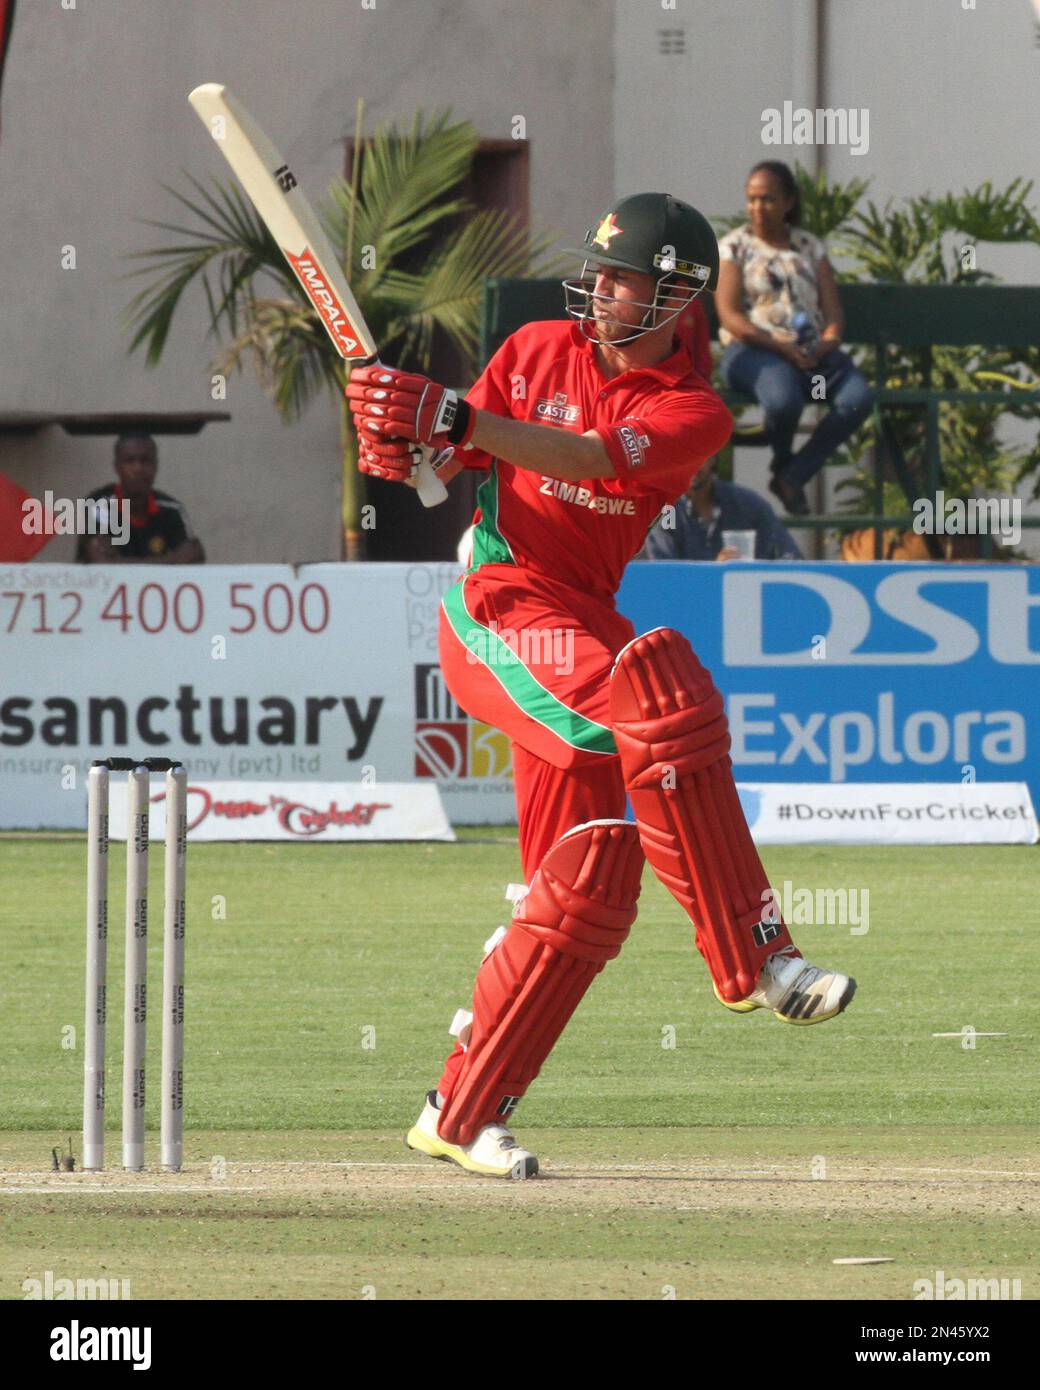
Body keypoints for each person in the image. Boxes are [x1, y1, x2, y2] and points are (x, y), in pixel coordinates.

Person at [347, 192, 856, 1180]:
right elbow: (440, 462)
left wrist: (454, 416)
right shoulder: (537, 346)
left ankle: (459, 1111)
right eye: (603, 271)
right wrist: (395, 441)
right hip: (496, 607)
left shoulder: (691, 411)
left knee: (583, 889)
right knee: (658, 702)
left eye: (623, 278)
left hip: (576, 616)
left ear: (675, 297)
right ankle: (757, 956)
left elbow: (578, 456)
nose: (601, 289)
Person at [716, 160, 874, 517]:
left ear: (789, 202)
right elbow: (730, 316)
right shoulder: (734, 247)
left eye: (768, 199)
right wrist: (780, 347)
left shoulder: (809, 247)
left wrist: (827, 342)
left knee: (856, 399)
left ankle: (792, 475)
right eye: (752, 199)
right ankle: (784, 464)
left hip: (811, 354)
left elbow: (833, 314)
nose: (758, 207)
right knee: (783, 401)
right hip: (754, 351)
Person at [76, 434, 205, 564]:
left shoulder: (173, 509)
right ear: (117, 467)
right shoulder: (98, 505)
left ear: (156, 466)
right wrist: (171, 560)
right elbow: (101, 564)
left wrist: (118, 561)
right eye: (129, 461)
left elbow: (192, 560)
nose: (138, 469)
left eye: (146, 460)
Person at [643, 457, 801, 560]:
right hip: (684, 608)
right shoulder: (664, 511)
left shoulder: (748, 505)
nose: (691, 463)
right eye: (683, 454)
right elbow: (664, 579)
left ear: (713, 457)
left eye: (699, 454)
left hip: (749, 602)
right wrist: (717, 575)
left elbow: (791, 557)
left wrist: (753, 572)